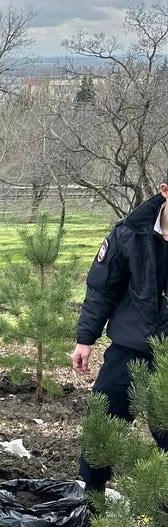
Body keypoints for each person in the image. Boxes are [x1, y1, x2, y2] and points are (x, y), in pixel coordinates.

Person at [72, 182, 168, 498]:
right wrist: (85, 338)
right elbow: (103, 288)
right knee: (105, 417)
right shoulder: (129, 233)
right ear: (165, 191)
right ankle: (92, 493)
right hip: (131, 346)